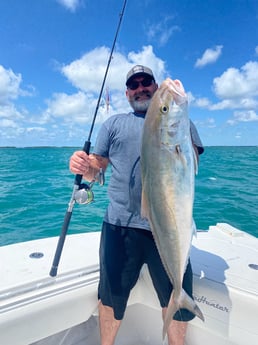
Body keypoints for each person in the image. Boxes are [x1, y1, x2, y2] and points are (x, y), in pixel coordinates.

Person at [69, 65, 204, 345]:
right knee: (111, 298)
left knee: (174, 303)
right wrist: (84, 166)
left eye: (147, 82)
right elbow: (98, 167)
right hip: (120, 227)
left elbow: (191, 165)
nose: (141, 88)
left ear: (154, 87)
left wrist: (171, 108)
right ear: (127, 92)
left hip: (167, 230)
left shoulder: (185, 125)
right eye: (134, 84)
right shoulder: (114, 124)